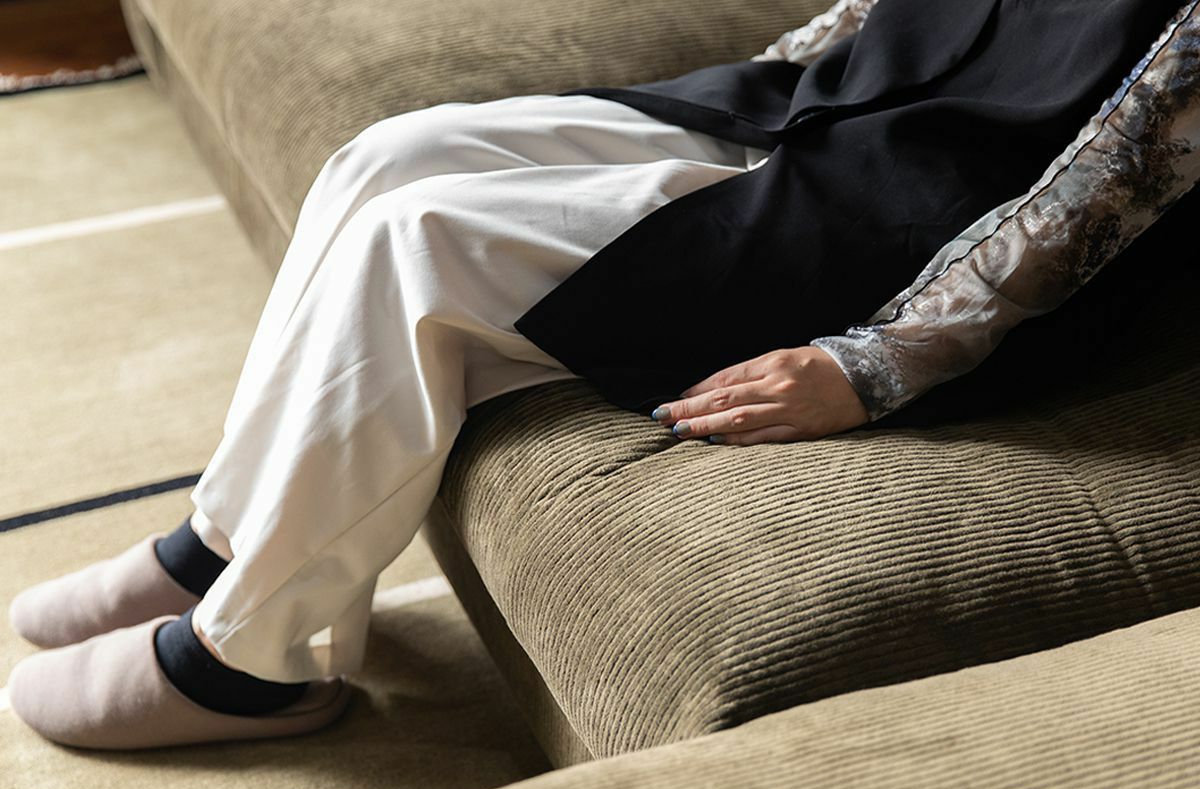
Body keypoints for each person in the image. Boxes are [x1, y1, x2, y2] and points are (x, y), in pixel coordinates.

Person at [8, 0, 1200, 749]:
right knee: (382, 157)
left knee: (420, 246)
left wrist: (879, 359)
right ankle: (219, 539)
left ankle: (250, 659)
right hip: (837, 109)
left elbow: (1117, 178)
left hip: (921, 229)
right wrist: (769, 83)